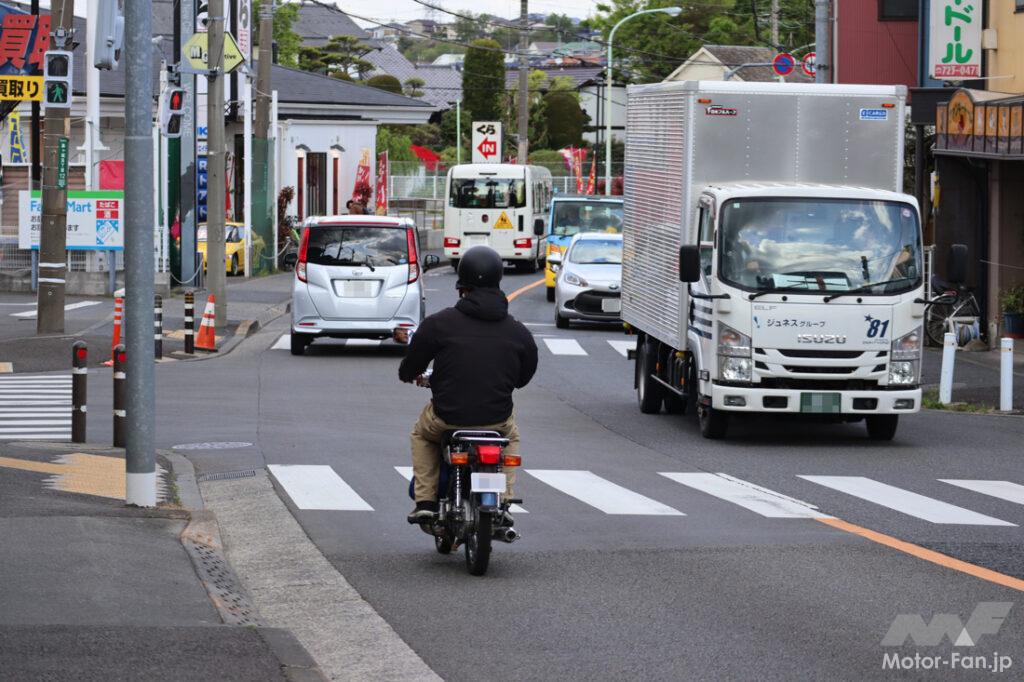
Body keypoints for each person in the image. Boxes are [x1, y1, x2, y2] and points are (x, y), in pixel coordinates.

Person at [399, 246, 538, 526]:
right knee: (511, 436)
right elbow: (525, 375)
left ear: (463, 287)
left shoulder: (440, 324)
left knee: (421, 434)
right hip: (497, 420)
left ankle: (425, 501)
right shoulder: (518, 330)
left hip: (447, 418)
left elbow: (411, 364)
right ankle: (505, 499)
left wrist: (411, 374)